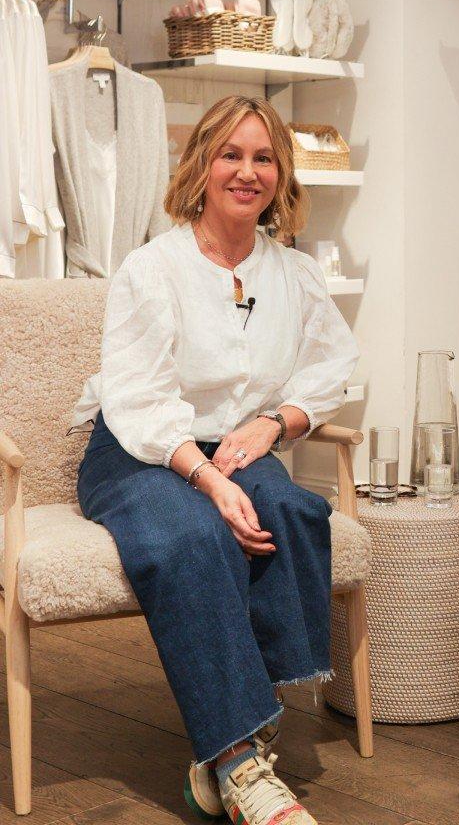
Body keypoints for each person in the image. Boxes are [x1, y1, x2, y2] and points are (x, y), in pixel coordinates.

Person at [72, 95, 359, 825]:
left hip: (235, 439)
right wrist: (204, 481)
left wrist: (275, 422)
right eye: (231, 154)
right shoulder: (152, 268)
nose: (247, 171)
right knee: (192, 536)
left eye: (263, 157)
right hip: (140, 448)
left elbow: (333, 369)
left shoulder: (294, 273)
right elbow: (137, 400)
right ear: (201, 165)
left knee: (293, 509)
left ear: (280, 174)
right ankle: (239, 763)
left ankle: (243, 733)